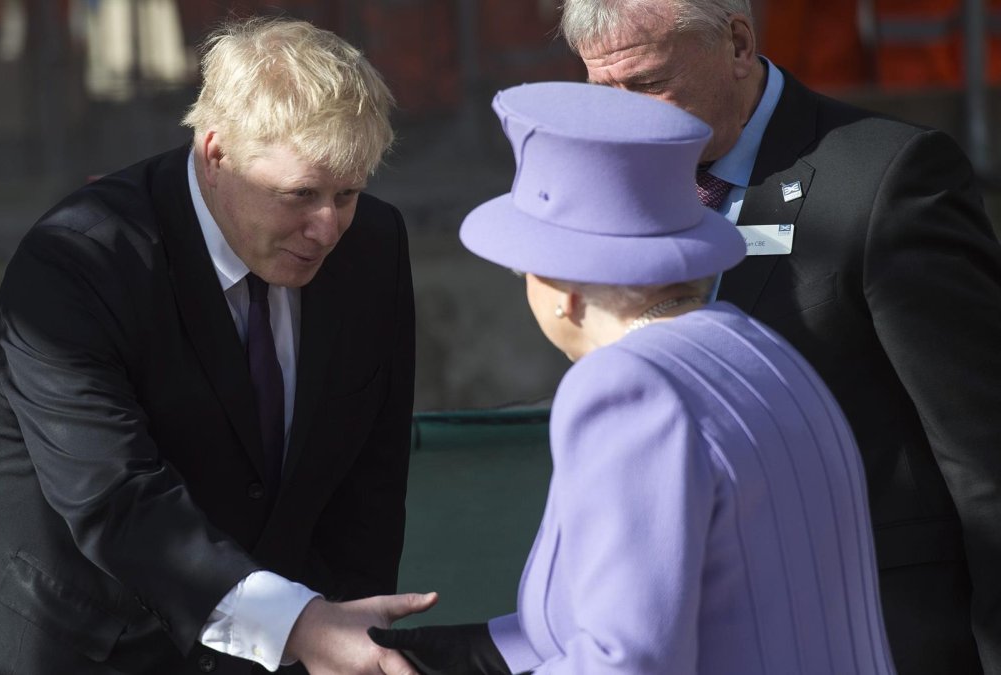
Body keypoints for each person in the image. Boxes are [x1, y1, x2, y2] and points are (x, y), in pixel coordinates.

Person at [0, 17, 433, 675]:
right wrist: (301, 626)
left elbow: (369, 484)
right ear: (215, 153)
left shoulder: (375, 248)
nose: (327, 227)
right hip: (75, 650)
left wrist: (347, 641)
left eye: (348, 193)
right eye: (300, 194)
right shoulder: (77, 263)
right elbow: (116, 497)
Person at [371, 81, 897, 674]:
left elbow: (629, 660)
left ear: (562, 291)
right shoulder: (761, 350)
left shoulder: (629, 388)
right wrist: (478, 655)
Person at [553, 2, 1001, 673]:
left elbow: (983, 455)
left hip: (880, 637)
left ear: (737, 44)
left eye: (648, 85)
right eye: (602, 90)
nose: (624, 118)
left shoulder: (888, 180)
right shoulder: (605, 194)